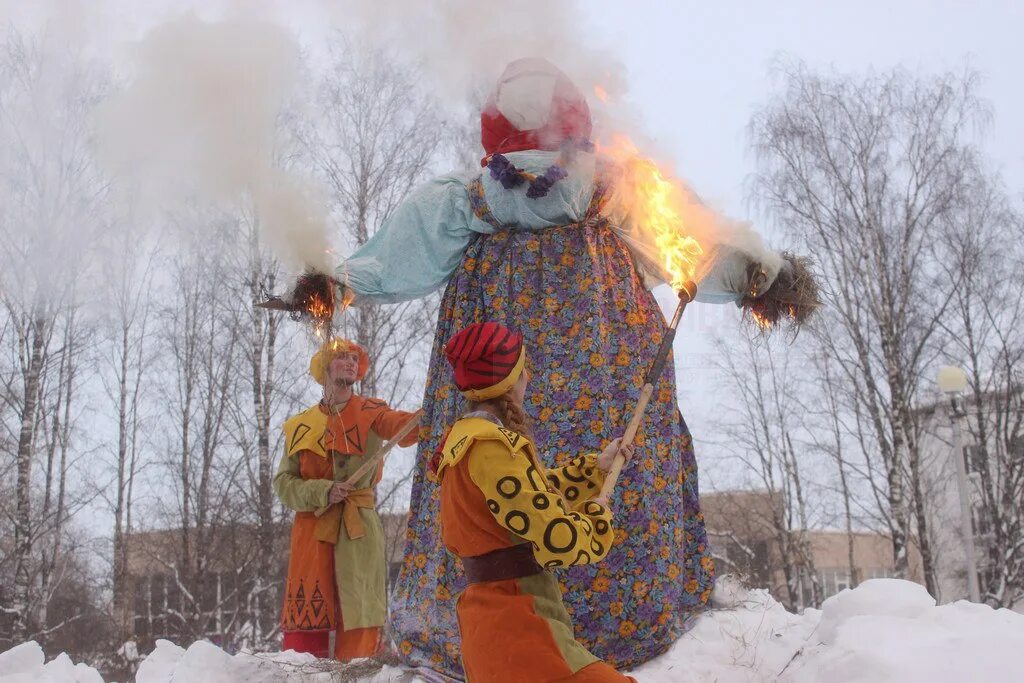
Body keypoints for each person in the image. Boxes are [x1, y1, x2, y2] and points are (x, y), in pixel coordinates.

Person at [309, 58, 809, 675]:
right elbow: (690, 240)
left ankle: (482, 619)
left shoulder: (466, 200)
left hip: (492, 339)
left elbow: (399, 256)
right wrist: (759, 278)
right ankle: (626, 603)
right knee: (609, 446)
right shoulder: (618, 186)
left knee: (493, 458)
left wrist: (335, 283)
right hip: (602, 339)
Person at [436, 321, 637, 682]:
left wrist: (595, 470)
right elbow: (557, 538)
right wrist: (596, 519)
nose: (528, 373)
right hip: (517, 623)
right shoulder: (489, 446)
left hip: (494, 625)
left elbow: (529, 498)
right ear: (512, 381)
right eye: (522, 366)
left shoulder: (465, 437)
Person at [274, 337, 420, 661]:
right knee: (308, 627)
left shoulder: (372, 412)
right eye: (342, 357)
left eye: (355, 358)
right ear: (325, 366)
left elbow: (405, 427)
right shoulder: (299, 426)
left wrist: (434, 408)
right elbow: (284, 484)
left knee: (358, 619)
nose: (351, 362)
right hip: (312, 533)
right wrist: (321, 490)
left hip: (358, 531)